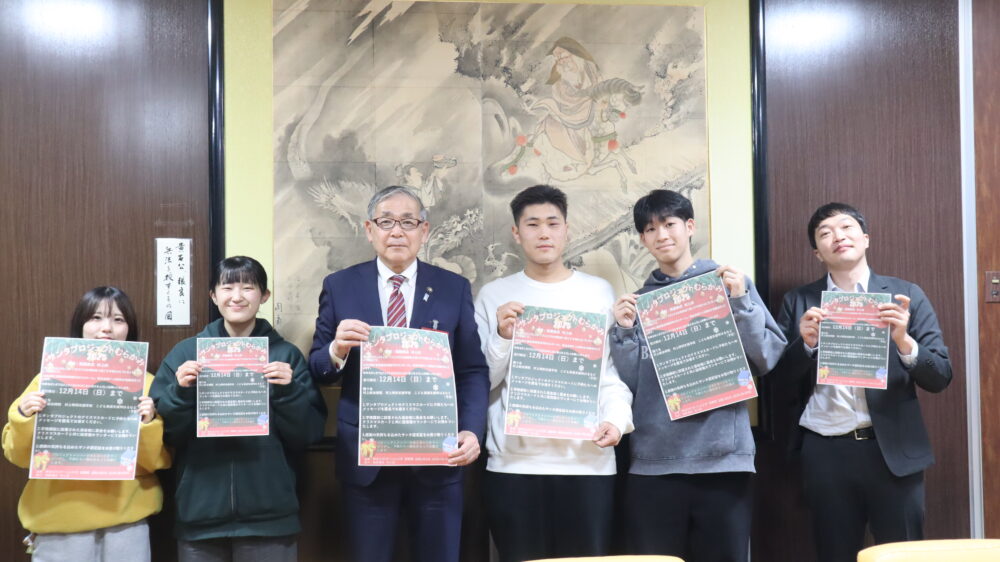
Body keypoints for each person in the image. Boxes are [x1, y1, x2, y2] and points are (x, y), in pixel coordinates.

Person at [308, 185, 489, 562]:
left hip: (438, 455)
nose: (397, 232)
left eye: (408, 222)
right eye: (386, 222)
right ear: (369, 229)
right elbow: (318, 368)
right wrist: (337, 349)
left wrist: (472, 430)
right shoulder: (340, 286)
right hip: (367, 456)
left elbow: (471, 369)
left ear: (424, 231)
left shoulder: (453, 288)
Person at [608, 189, 786, 562]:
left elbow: (767, 357)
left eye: (669, 224)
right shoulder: (639, 303)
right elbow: (631, 386)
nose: (661, 235)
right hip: (655, 462)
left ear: (689, 226)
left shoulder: (729, 284)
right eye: (650, 229)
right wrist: (623, 332)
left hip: (723, 459)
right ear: (642, 239)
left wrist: (740, 302)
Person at [773, 203, 952, 562]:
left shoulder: (904, 295)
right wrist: (805, 345)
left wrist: (904, 341)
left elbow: (940, 376)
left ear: (866, 238)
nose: (837, 236)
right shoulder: (799, 302)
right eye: (825, 233)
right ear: (817, 253)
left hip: (893, 450)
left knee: (903, 555)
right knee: (834, 553)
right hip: (826, 450)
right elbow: (777, 380)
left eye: (846, 227)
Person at [473, 185, 633, 561]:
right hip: (513, 463)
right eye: (532, 224)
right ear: (516, 233)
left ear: (566, 230)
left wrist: (616, 420)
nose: (543, 233)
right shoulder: (494, 295)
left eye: (552, 223)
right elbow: (481, 382)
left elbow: (610, 375)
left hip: (588, 461)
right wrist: (502, 337)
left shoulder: (598, 292)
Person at [151, 256, 326, 562]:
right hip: (200, 513)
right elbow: (166, 434)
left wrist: (288, 392)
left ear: (264, 296)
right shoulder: (186, 354)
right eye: (227, 287)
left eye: (248, 287)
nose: (237, 296)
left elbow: (308, 434)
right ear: (213, 295)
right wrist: (181, 392)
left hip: (270, 517)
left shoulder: (285, 356)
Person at [3, 286, 171, 561]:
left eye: (118, 319)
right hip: (58, 518)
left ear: (129, 328)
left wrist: (149, 423)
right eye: (95, 317)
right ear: (80, 325)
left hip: (126, 521)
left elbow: (159, 461)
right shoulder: (48, 379)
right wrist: (24, 415)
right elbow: (17, 455)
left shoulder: (147, 384)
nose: (106, 328)